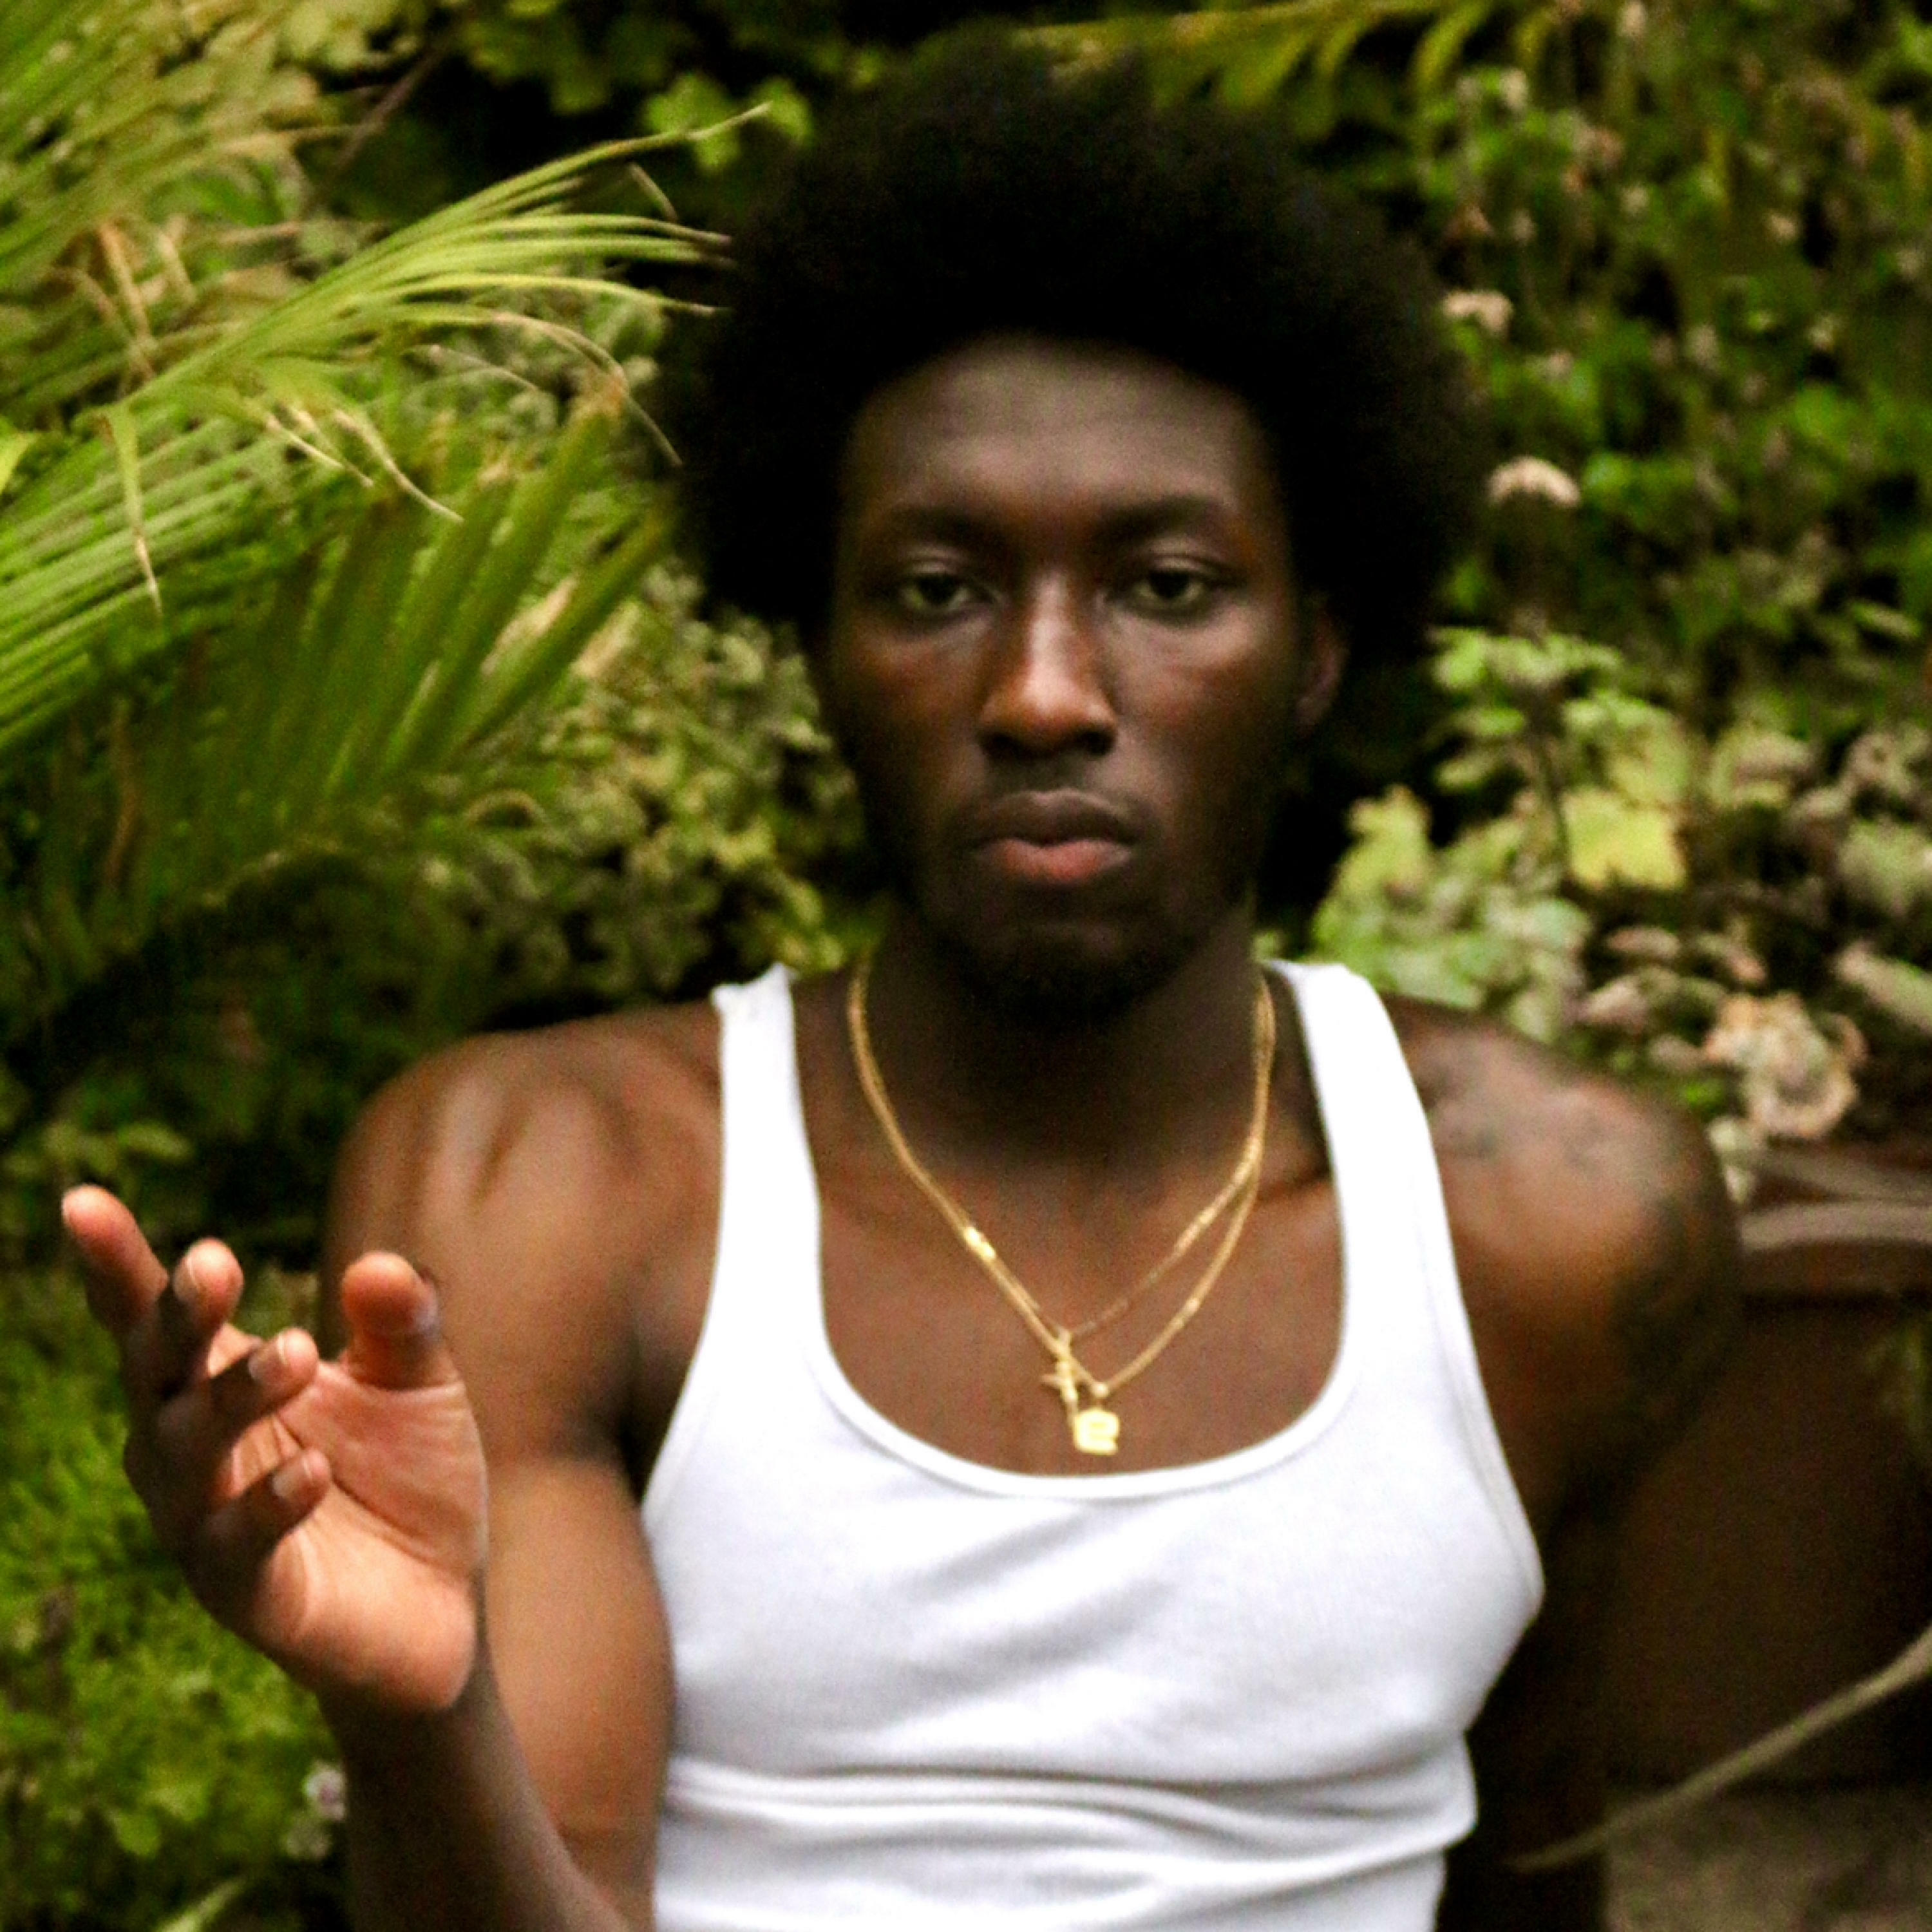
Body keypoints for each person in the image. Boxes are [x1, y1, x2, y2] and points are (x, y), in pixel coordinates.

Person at [65, 39, 1741, 1932]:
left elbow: (1535, 1876)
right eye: (939, 588)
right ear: (821, 650)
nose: (1044, 693)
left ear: (1321, 650)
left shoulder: (1555, 1231)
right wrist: (422, 1718)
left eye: (1169, 586)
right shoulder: (552, 1193)